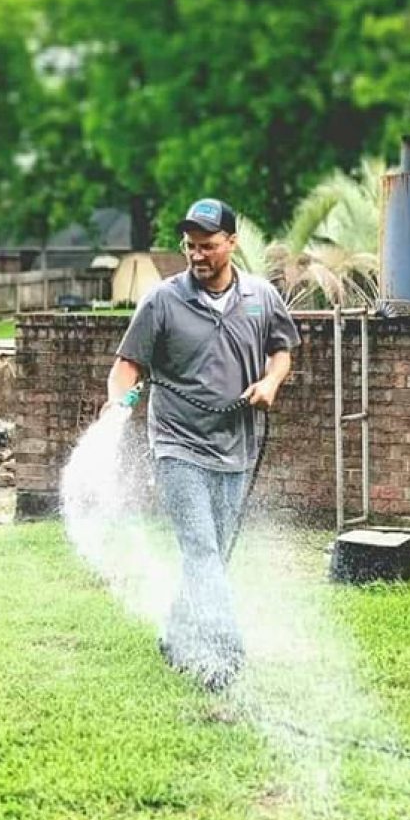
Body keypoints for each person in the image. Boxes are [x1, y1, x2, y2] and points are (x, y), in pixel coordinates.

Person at [106, 197, 300, 690]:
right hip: (177, 446)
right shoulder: (163, 301)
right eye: (190, 246)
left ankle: (175, 634)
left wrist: (271, 382)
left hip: (236, 448)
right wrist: (119, 402)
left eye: (208, 246)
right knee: (200, 547)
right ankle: (224, 652)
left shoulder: (260, 297)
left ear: (231, 244)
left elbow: (282, 351)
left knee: (213, 553)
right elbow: (128, 366)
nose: (198, 255)